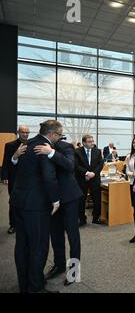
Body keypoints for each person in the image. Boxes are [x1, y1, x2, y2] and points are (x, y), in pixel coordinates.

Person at [11, 120, 62, 293]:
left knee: (22, 245)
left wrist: (15, 157)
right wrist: (55, 200)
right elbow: (49, 177)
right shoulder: (43, 148)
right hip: (36, 206)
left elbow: (20, 170)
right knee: (38, 246)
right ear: (52, 134)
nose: (59, 138)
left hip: (18, 202)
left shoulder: (27, 144)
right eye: (59, 135)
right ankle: (36, 288)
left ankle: (25, 285)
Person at [33, 138, 83, 286]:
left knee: (73, 236)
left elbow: (70, 165)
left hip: (69, 198)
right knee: (55, 235)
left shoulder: (66, 147)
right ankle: (59, 265)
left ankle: (73, 272)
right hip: (51, 199)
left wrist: (52, 152)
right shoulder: (38, 146)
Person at [1, 125, 30, 234]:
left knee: (27, 201)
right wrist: (4, 176)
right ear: (18, 132)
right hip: (14, 178)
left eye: (27, 132)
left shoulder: (32, 145)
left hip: (28, 179)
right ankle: (13, 224)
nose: (25, 134)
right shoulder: (10, 145)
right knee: (13, 202)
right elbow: (6, 162)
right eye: (23, 132)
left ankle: (25, 223)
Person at [75, 134, 104, 226]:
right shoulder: (77, 152)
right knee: (81, 200)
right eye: (89, 141)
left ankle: (96, 218)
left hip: (95, 179)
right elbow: (76, 165)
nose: (92, 143)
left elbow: (100, 164)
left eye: (92, 141)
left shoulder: (98, 151)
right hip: (82, 179)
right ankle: (82, 219)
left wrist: (93, 174)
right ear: (84, 143)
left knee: (97, 199)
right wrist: (87, 173)